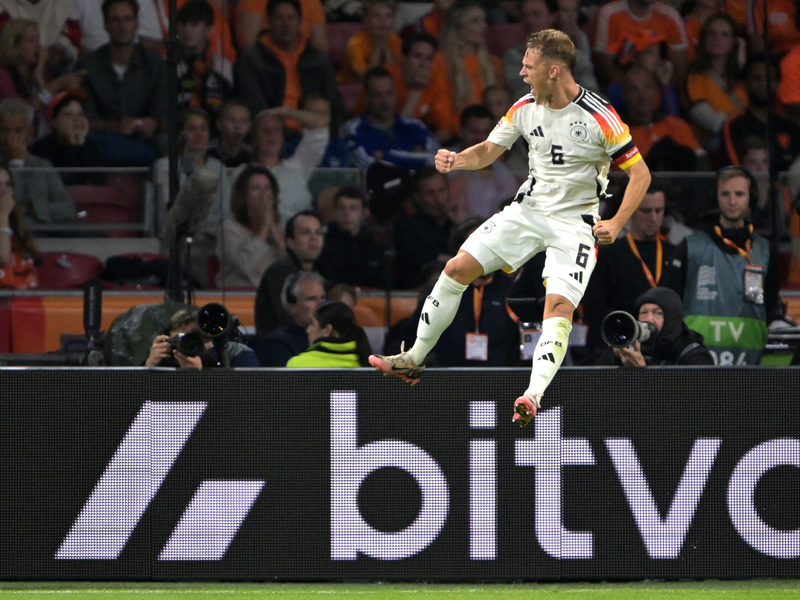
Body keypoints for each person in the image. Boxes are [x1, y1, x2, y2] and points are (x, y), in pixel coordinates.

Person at [369, 29, 652, 426]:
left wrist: (618, 221)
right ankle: (413, 359)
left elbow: (640, 175)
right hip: (528, 211)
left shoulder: (599, 117)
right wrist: (458, 160)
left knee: (559, 306)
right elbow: (488, 150)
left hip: (575, 223)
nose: (520, 72)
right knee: (455, 269)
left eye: (528, 65)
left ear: (553, 70)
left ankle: (532, 396)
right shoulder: (524, 106)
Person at [662, 166, 778, 365]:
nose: (732, 201)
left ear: (751, 197)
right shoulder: (690, 247)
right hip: (697, 365)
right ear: (715, 197)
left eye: (739, 194)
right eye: (725, 194)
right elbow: (668, 305)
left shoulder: (764, 251)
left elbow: (771, 306)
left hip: (749, 365)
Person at [583, 180, 676, 356]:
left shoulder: (675, 254)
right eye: (646, 211)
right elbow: (594, 308)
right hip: (618, 348)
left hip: (664, 349)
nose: (654, 218)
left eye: (659, 211)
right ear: (631, 209)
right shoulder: (608, 255)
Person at [235, 0, 344, 138]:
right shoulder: (252, 61)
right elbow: (257, 109)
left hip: (313, 135)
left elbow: (334, 104)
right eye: (279, 18)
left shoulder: (318, 60)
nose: (286, 24)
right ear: (269, 22)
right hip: (272, 136)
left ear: (300, 23)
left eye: (291, 18)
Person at [74, 0, 168, 145]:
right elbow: (85, 119)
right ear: (105, 25)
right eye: (115, 20)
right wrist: (119, 126)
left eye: (127, 19)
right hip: (100, 141)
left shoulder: (155, 64)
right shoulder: (87, 65)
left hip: (145, 141)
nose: (122, 26)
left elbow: (163, 115)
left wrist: (154, 123)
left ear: (136, 23)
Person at [153, 108, 230, 237]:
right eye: (192, 128)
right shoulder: (165, 166)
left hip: (212, 239)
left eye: (203, 128)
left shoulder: (218, 167)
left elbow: (226, 212)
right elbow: (165, 212)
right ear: (180, 135)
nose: (198, 133)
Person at [342, 66, 437, 170]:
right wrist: (414, 158)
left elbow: (438, 161)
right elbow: (372, 169)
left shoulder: (416, 127)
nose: (385, 101)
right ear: (366, 98)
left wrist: (385, 155)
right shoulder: (354, 129)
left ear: (396, 94)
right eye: (377, 95)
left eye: (389, 93)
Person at [0, 19, 85, 133]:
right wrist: (54, 86)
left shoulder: (43, 73)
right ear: (15, 47)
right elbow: (23, 114)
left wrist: (39, 76)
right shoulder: (3, 75)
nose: (38, 46)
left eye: (38, 39)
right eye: (31, 40)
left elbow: (50, 113)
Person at [595, 287, 715, 366]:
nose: (649, 319)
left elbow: (692, 402)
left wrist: (642, 371)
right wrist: (614, 356)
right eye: (644, 312)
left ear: (671, 318)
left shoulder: (694, 356)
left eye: (658, 313)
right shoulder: (632, 347)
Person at [0, 97, 74, 224]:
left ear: (29, 133)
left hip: (45, 233)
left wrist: (33, 210)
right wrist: (16, 162)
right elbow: (13, 207)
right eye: (4, 131)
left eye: (18, 131)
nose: (10, 137)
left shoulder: (42, 165)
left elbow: (67, 209)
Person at [254, 209, 326, 339]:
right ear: (290, 242)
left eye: (318, 233)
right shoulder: (278, 273)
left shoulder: (321, 270)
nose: (314, 238)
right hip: (282, 351)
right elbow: (287, 319)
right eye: (306, 233)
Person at [722, 54, 800, 174]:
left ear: (778, 84)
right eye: (756, 78)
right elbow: (735, 172)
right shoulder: (732, 126)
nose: (763, 83)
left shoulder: (791, 126)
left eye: (769, 79)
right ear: (745, 84)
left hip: (788, 192)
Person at [251, 106, 328, 223]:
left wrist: (284, 111)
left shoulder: (298, 165)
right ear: (254, 139)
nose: (272, 135)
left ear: (283, 138)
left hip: (298, 236)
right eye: (265, 130)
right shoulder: (244, 172)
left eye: (277, 130)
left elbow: (320, 125)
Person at [434, 1, 504, 130]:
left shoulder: (494, 63)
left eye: (484, 20)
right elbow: (441, 112)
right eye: (475, 21)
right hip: (458, 138)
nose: (484, 26)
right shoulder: (441, 62)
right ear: (458, 27)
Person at [621, 65, 705, 171]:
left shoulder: (677, 125)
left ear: (656, 90)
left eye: (647, 87)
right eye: (634, 90)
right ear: (624, 95)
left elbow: (702, 164)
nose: (642, 96)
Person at [215, 165, 284, 288]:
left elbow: (291, 265)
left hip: (272, 296)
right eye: (255, 188)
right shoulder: (228, 228)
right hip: (238, 296)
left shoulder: (280, 227)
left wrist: (273, 228)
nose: (263, 195)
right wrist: (263, 227)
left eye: (267, 188)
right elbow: (246, 265)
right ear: (243, 196)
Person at [592, 0, 688, 88]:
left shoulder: (670, 15)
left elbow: (680, 70)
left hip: (661, 89)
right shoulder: (609, 14)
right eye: (649, 52)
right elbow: (606, 70)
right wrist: (637, 88)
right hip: (622, 90)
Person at [447, 104, 519, 220]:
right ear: (461, 131)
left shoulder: (503, 174)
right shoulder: (444, 165)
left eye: (486, 132)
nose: (480, 138)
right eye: (474, 131)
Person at [685, 14, 746, 148]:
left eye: (724, 34)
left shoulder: (744, 74)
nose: (717, 38)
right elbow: (712, 122)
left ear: (733, 42)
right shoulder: (695, 77)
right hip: (715, 140)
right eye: (711, 33)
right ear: (703, 39)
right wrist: (747, 121)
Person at [392, 166, 456, 289]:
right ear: (417, 196)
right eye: (430, 193)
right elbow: (422, 259)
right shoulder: (406, 226)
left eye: (442, 190)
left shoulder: (455, 224)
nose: (438, 199)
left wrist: (461, 224)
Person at [175, 0, 234, 124]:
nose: (187, 29)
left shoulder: (223, 66)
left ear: (208, 28)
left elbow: (227, 106)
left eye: (194, 24)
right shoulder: (169, 64)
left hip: (214, 129)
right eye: (183, 23)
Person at [30, 89, 105, 186]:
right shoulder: (41, 147)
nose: (76, 119)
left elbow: (99, 180)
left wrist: (81, 143)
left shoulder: (91, 145)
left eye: (80, 114)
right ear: (54, 122)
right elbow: (65, 183)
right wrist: (71, 144)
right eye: (68, 114)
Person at [145, 306, 259, 367]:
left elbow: (249, 403)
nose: (183, 346)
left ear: (208, 339)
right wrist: (149, 366)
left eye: (190, 339)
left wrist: (199, 377)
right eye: (177, 340)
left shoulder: (238, 355)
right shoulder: (167, 358)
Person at [317, 185, 385, 288]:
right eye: (341, 208)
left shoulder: (375, 245)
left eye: (353, 208)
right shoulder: (323, 244)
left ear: (364, 212)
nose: (347, 213)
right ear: (335, 212)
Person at [258, 269, 326, 365]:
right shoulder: (277, 343)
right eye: (311, 299)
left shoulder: (335, 335)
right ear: (292, 307)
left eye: (323, 297)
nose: (321, 304)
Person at [286, 300, 372, 367]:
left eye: (312, 323)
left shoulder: (296, 365)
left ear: (327, 330)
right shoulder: (372, 365)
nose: (307, 330)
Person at [338, 0, 402, 84]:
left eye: (388, 16)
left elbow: (395, 75)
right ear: (365, 20)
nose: (382, 20)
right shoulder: (355, 43)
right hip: (351, 85)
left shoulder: (395, 40)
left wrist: (386, 47)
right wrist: (378, 47)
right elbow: (365, 78)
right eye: (376, 15)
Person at [0, 163, 38, 288]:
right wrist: (3, 216)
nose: (4, 190)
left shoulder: (18, 226)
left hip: (22, 301)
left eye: (8, 184)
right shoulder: (4, 217)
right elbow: (3, 258)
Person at [207, 98, 253, 168]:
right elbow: (187, 170)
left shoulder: (253, 155)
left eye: (243, 121)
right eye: (232, 120)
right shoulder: (205, 150)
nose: (238, 126)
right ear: (219, 124)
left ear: (249, 126)